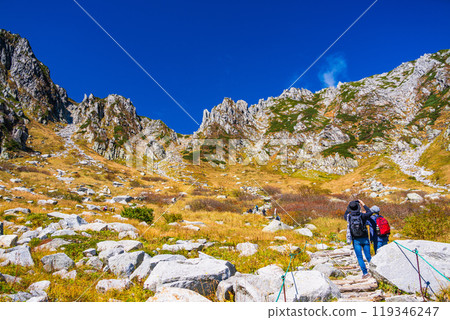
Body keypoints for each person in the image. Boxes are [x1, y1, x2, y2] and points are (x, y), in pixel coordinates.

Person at [344, 199, 374, 278]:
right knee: (368, 256)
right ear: (358, 207)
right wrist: (363, 204)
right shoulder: (363, 216)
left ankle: (365, 273)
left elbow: (346, 213)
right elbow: (370, 212)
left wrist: (349, 205)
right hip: (365, 238)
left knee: (359, 257)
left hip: (356, 239)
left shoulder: (348, 216)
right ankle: (374, 271)